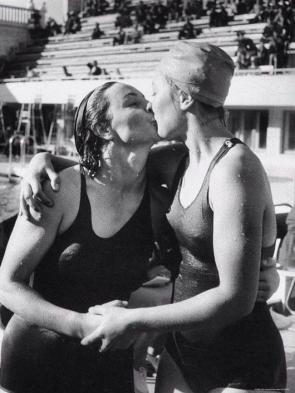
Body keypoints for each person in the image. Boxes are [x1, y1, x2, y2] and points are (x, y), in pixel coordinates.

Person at [21, 49, 283, 393]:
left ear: (184, 97)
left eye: (155, 93)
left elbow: (237, 298)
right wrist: (43, 159)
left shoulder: (235, 167)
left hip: (240, 358)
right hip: (181, 354)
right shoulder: (177, 160)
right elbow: (105, 165)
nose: (151, 105)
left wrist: (131, 319)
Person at [0, 81, 174, 393]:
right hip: (35, 362)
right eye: (133, 102)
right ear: (104, 128)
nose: (149, 105)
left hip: (108, 364)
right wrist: (79, 324)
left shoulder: (158, 203)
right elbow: (7, 285)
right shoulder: (60, 189)